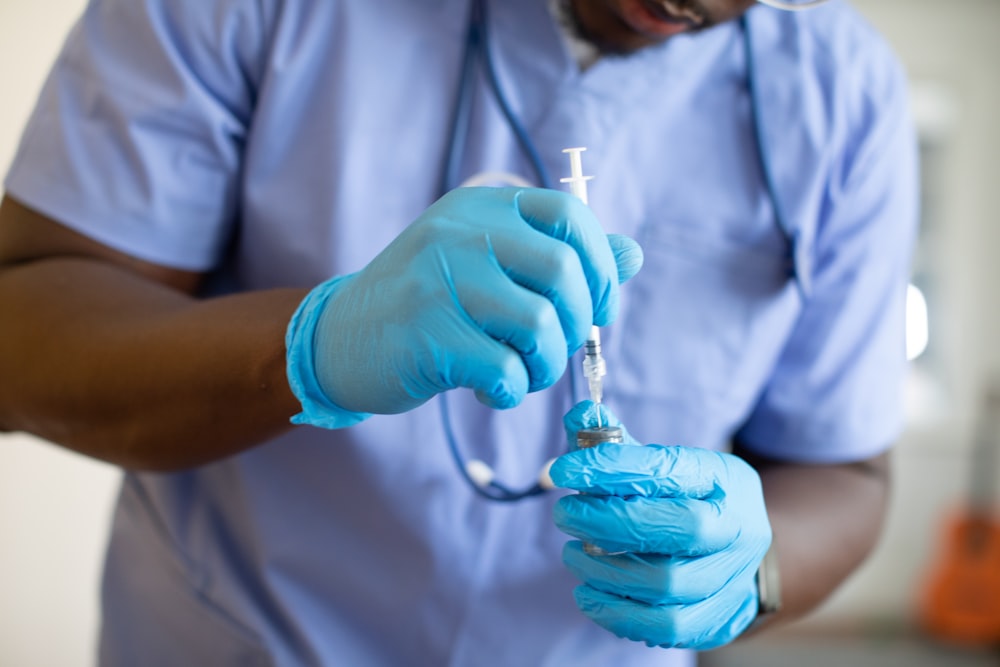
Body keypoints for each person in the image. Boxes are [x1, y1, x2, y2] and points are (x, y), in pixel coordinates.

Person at [0, 0, 918, 664]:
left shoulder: (839, 93)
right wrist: (313, 345)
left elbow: (847, 469)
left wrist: (752, 567)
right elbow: (22, 329)